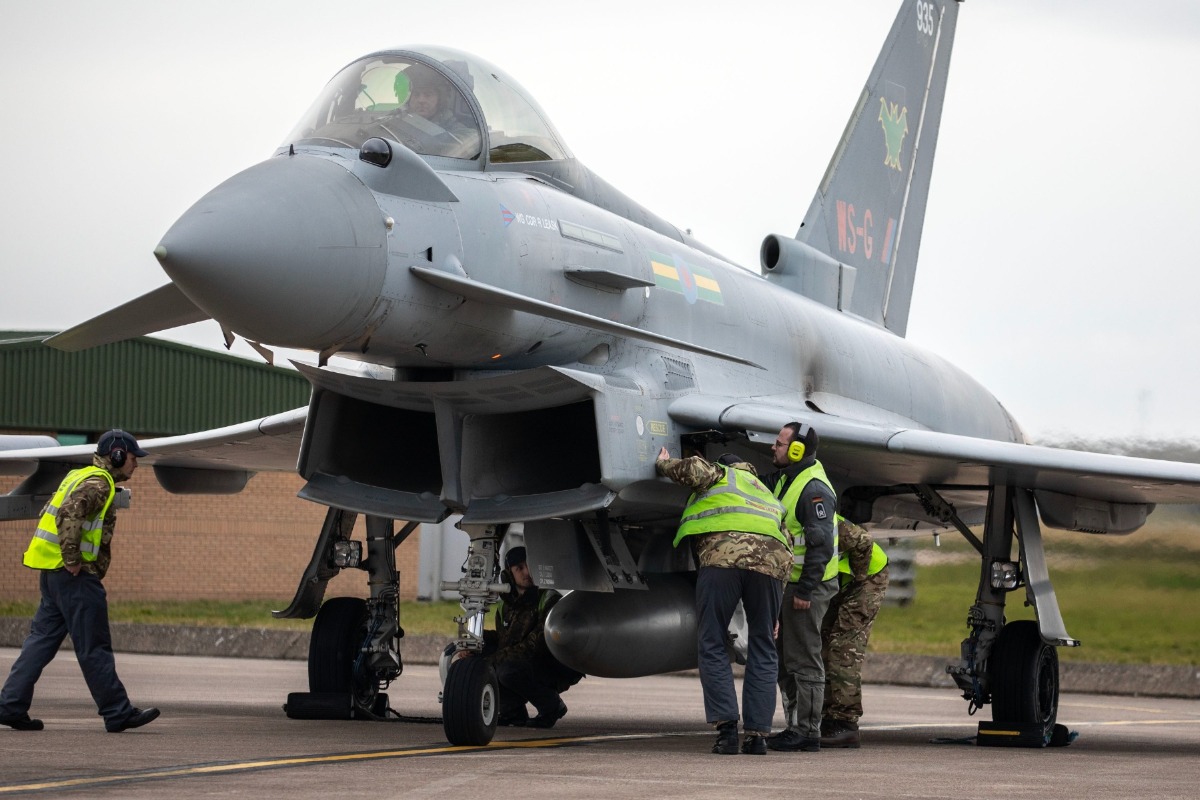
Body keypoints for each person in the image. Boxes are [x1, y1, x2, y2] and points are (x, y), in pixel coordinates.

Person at [0, 430, 160, 733]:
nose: (136, 464)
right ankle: (117, 712)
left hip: (52, 575)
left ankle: (10, 706)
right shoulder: (99, 483)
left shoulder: (79, 475)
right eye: (132, 458)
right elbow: (69, 513)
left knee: (40, 643)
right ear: (115, 455)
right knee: (94, 647)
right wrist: (73, 560)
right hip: (74, 578)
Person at [656, 447, 791, 755]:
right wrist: (776, 609)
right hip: (769, 569)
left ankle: (727, 731)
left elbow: (693, 469)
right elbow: (788, 545)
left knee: (712, 641)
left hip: (722, 560)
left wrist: (664, 463)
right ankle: (757, 737)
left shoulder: (721, 474)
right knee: (763, 646)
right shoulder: (767, 494)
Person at [764, 421, 839, 752]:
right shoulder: (788, 479)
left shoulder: (813, 490)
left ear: (796, 451)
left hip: (807, 587)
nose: (773, 447)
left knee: (804, 659)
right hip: (789, 584)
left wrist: (806, 591)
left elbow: (820, 547)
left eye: (779, 444)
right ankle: (795, 725)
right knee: (784, 660)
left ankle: (808, 731)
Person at [482, 546, 582, 728]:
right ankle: (513, 712)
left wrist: (492, 660)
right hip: (526, 664)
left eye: (529, 566)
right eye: (519, 568)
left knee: (505, 670)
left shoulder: (548, 598)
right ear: (509, 574)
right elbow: (504, 641)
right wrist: (475, 642)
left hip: (552, 664)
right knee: (484, 658)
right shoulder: (505, 607)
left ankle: (552, 706)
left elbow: (537, 643)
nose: (527, 572)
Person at [820, 518, 889, 748]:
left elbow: (864, 542)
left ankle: (845, 723)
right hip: (841, 582)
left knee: (843, 647)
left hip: (867, 578)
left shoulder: (818, 515)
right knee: (822, 642)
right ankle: (828, 716)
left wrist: (858, 579)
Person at [389, 64, 480, 158]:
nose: (421, 100)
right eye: (416, 94)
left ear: (439, 99)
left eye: (428, 95)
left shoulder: (450, 125)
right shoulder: (395, 121)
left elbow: (472, 139)